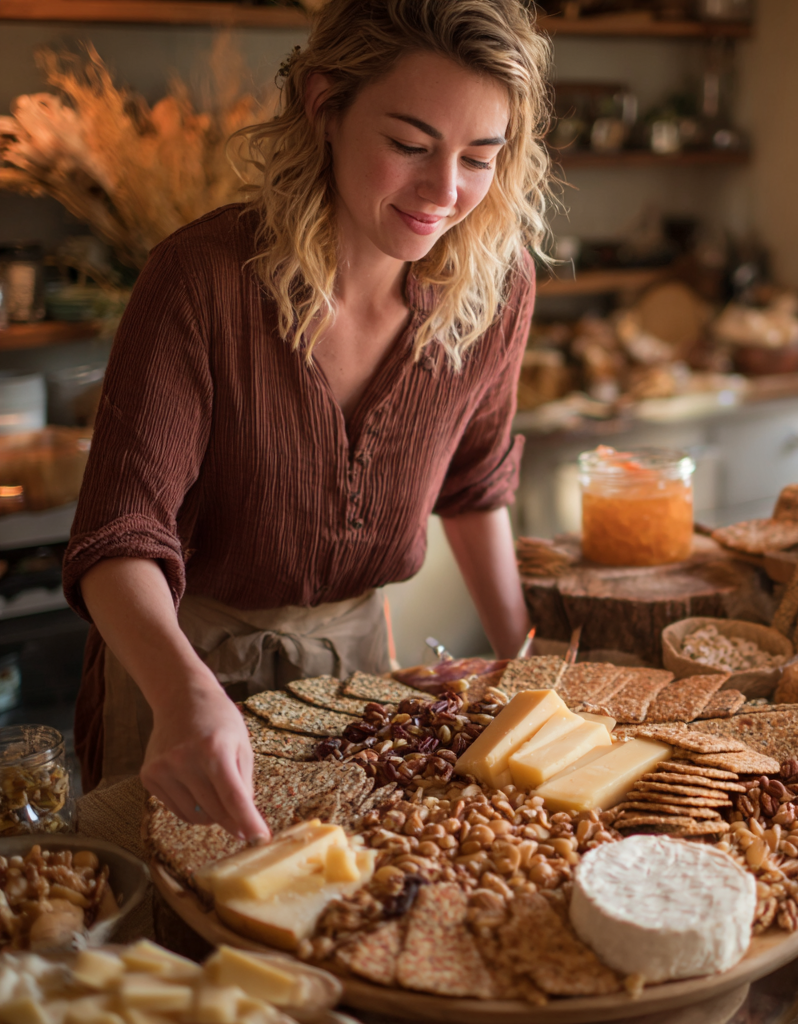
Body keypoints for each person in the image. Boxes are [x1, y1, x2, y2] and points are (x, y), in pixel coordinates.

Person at [62, 0, 553, 842]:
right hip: (181, 670)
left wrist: (531, 666)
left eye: (480, 157)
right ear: (324, 103)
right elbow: (119, 537)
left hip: (358, 673)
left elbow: (473, 484)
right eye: (409, 145)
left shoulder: (495, 288)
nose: (445, 193)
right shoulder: (200, 279)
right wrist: (185, 695)